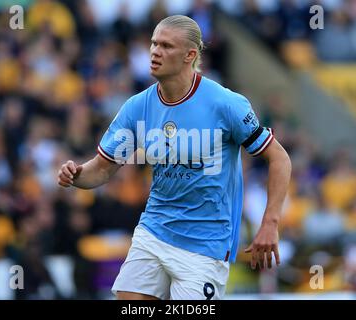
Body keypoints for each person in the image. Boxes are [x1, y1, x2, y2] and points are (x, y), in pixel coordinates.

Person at [57, 15, 291, 300]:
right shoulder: (136, 107)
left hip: (205, 243)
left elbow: (279, 159)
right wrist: (76, 175)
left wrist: (270, 223)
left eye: (166, 46)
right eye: (154, 43)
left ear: (189, 55)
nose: (155, 51)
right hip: (154, 231)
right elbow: (103, 170)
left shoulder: (225, 104)